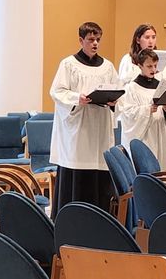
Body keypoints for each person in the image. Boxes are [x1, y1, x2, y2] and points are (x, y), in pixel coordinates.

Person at [48, 22, 119, 215]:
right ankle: (72, 219)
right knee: (77, 175)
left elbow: (117, 90)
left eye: (98, 40)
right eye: (91, 40)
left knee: (99, 173)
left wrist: (114, 102)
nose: (95, 43)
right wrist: (76, 98)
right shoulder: (69, 64)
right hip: (78, 130)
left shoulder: (108, 67)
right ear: (81, 41)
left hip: (99, 128)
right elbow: (57, 91)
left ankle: (99, 219)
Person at [117, 49, 166, 169]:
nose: (153, 69)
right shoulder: (132, 88)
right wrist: (147, 110)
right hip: (145, 136)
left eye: (155, 66)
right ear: (140, 66)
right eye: (149, 66)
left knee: (163, 169)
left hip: (162, 135)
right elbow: (127, 113)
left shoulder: (163, 87)